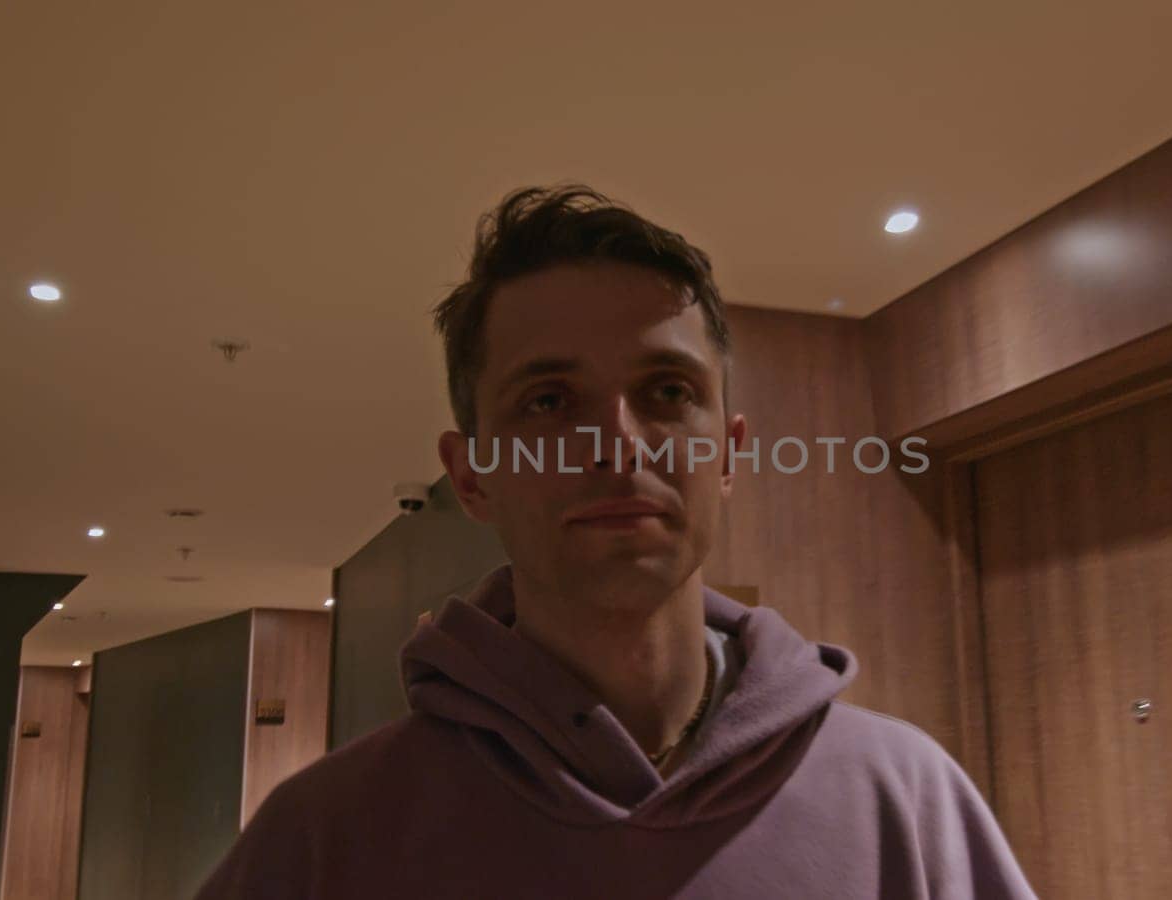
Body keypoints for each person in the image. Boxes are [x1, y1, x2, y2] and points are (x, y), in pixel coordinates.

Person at [196, 185, 1036, 899]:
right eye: (550, 401)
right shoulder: (325, 840)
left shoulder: (908, 799)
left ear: (731, 456)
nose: (618, 443)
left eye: (667, 390)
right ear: (472, 475)